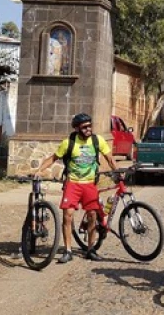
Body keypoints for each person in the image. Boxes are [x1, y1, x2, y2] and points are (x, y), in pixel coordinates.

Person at [35, 112, 118, 263]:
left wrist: (117, 172)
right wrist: (40, 170)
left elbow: (110, 158)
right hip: (72, 183)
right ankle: (67, 250)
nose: (88, 129)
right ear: (77, 129)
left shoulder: (97, 140)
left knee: (93, 215)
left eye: (90, 126)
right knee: (68, 215)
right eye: (84, 127)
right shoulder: (69, 143)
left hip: (89, 184)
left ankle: (91, 249)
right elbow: (53, 158)